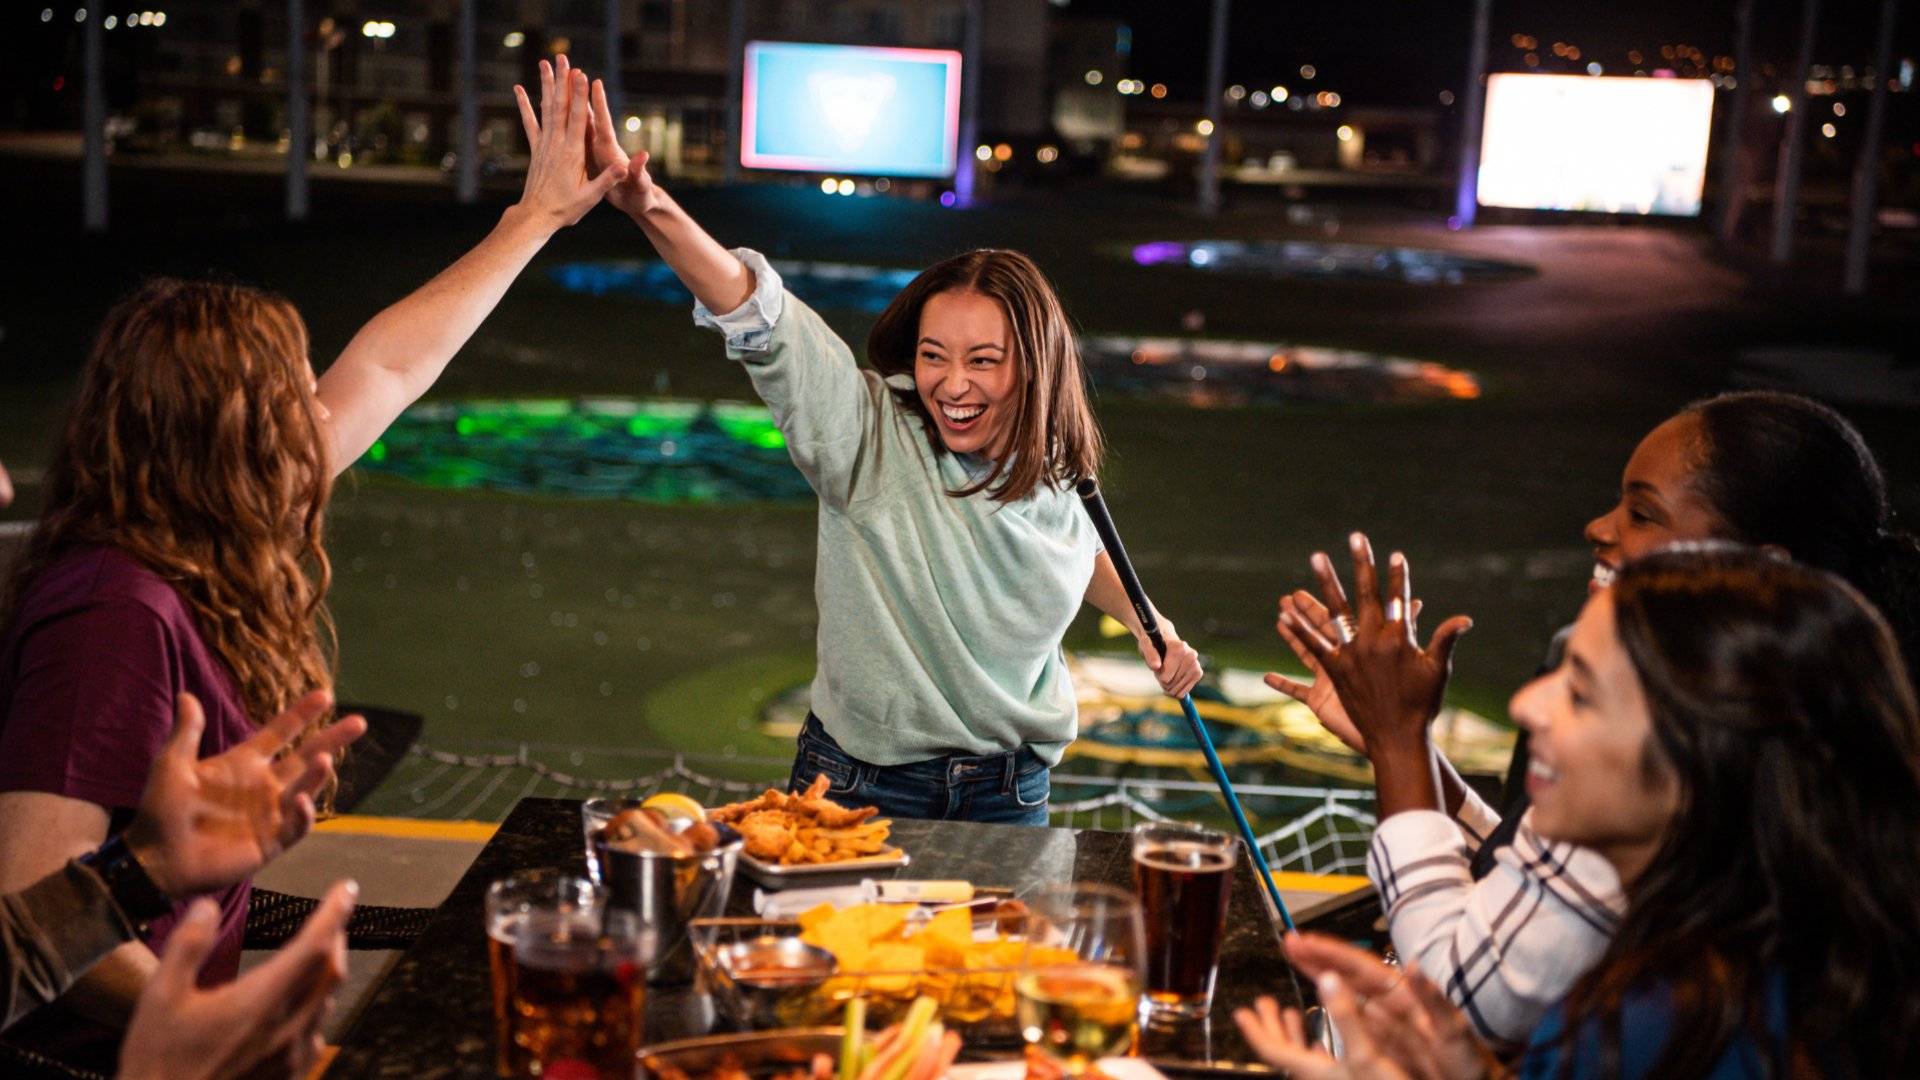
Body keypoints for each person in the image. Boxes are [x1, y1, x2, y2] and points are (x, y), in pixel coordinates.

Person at [0, 59, 623, 1041]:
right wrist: (220, 1025)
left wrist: (534, 220)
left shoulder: (202, 529)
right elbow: (33, 913)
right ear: (218, 436)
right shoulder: (110, 610)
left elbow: (387, 366)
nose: (317, 412)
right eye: (288, 397)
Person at [562, 58, 1201, 824]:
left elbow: (1072, 541)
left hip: (1014, 795)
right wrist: (649, 205)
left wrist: (1145, 619)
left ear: (1036, 369)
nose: (952, 384)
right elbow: (761, 315)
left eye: (983, 361)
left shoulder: (1051, 455)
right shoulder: (866, 430)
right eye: (934, 355)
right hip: (861, 792)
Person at [1266, 391, 1920, 1047]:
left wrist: (1398, 742)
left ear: (1756, 569)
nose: (1599, 528)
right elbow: (1538, 900)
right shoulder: (1809, 751)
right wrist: (1405, 751)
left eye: (1643, 513)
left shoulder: (1678, 765)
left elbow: (1461, 991)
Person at [4, 690, 361, 1031]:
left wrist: (146, 870)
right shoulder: (111, 634)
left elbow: (18, 953)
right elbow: (29, 894)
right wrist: (214, 1028)